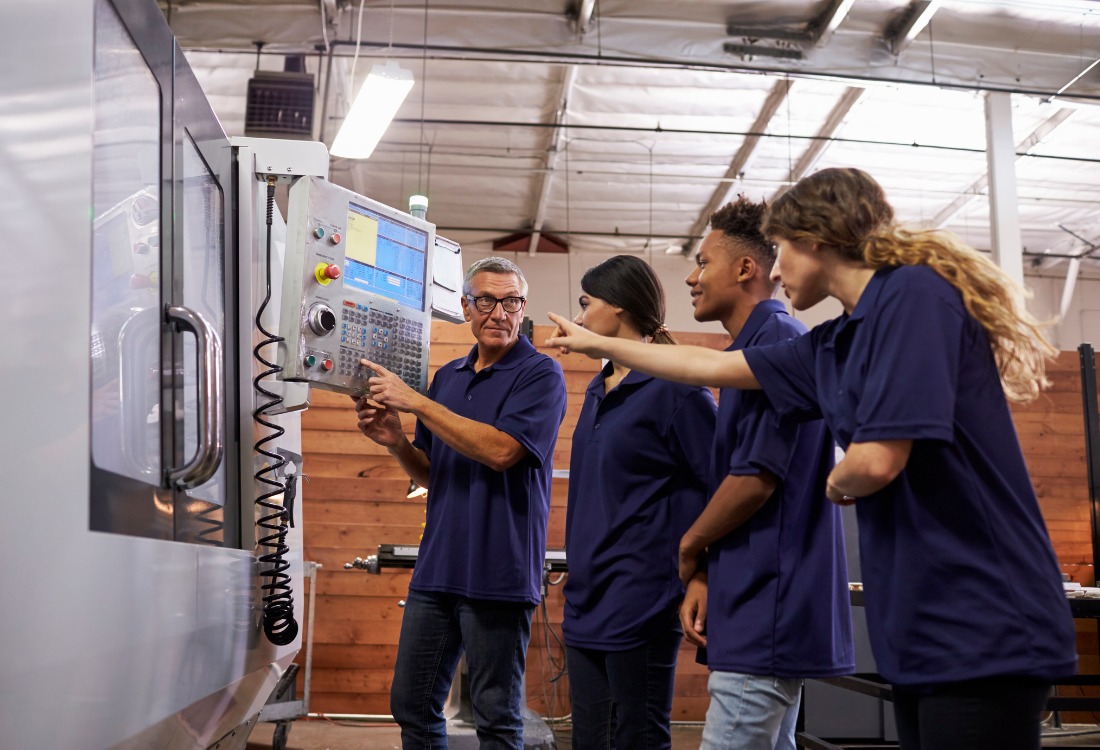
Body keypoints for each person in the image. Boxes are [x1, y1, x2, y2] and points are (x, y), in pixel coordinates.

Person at [546, 167, 1077, 750]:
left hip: (983, 613)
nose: (775, 270)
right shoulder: (833, 340)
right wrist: (596, 342)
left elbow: (875, 461)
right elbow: (712, 366)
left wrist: (835, 480)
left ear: (817, 238)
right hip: (918, 621)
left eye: (782, 251)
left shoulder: (913, 293)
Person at [355, 256, 568, 749]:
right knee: (412, 705)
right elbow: (431, 473)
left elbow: (502, 452)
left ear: (523, 308)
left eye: (511, 302)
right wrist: (396, 442)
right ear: (465, 307)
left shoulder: (541, 374)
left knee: (496, 717)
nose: (500, 313)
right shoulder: (448, 377)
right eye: (487, 301)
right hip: (438, 569)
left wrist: (417, 402)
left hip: (500, 573)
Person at [678, 196, 853, 750]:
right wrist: (707, 574)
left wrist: (690, 545)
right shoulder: (752, 347)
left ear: (745, 268)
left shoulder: (777, 340)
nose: (692, 278)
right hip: (751, 597)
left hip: (769, 604)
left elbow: (756, 479)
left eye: (703, 263)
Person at [561, 255, 716, 749]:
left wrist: (701, 574)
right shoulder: (598, 388)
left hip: (643, 599)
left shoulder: (677, 391)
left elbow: (720, 489)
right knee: (589, 739)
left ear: (619, 306)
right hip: (585, 599)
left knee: (638, 737)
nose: (580, 317)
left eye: (586, 303)